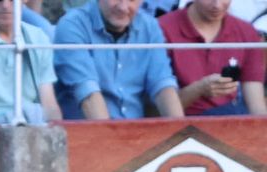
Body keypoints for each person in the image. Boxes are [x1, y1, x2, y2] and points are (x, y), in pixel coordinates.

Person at [54, 0, 183, 119]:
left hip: (136, 134)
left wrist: (181, 136)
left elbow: (163, 86)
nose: (123, 7)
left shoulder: (149, 26)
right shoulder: (72, 25)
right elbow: (88, 94)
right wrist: (112, 140)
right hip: (88, 135)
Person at [159, 0, 267, 117]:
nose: (217, 5)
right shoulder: (161, 30)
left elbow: (256, 105)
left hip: (231, 119)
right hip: (182, 123)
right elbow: (156, 109)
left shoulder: (246, 32)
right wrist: (199, 89)